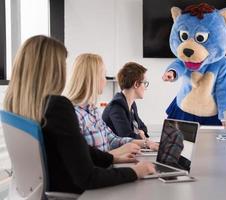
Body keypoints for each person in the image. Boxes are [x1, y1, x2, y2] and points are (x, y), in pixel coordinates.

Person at [3, 35, 155, 194]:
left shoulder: (21, 107)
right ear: (54, 70)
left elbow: (77, 150)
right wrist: (136, 172)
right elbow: (88, 177)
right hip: (75, 194)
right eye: (63, 65)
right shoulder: (58, 107)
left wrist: (112, 159)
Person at [66, 54, 158, 156]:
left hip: (107, 165)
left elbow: (112, 139)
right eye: (103, 75)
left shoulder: (93, 110)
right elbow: (85, 159)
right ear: (93, 78)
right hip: (101, 169)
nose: (105, 80)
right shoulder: (74, 114)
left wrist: (146, 143)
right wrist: (119, 153)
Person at [102, 62, 150, 139]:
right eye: (145, 83)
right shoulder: (116, 106)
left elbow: (143, 128)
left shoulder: (132, 104)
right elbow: (127, 137)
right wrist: (139, 135)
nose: (145, 88)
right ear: (136, 84)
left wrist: (141, 133)